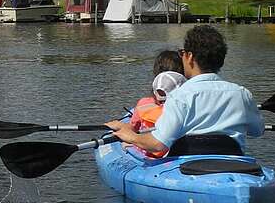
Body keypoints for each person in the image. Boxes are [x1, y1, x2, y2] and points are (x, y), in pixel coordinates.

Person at [107, 25, 264, 155]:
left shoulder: (179, 96)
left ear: (189, 57)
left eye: (182, 53)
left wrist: (132, 137)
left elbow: (158, 144)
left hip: (190, 167)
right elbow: (257, 131)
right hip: (234, 165)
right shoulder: (242, 94)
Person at [128, 50, 185, 132]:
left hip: (149, 142)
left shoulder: (143, 104)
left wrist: (119, 127)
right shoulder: (188, 106)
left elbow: (132, 129)